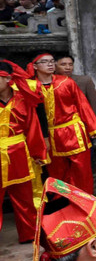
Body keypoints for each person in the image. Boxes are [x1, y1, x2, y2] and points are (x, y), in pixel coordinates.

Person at [22, 53, 96, 194]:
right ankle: (63, 201)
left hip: (73, 131)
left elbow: (82, 104)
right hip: (51, 135)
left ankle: (85, 201)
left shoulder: (66, 82)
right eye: (45, 62)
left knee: (82, 170)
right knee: (56, 172)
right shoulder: (30, 87)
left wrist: (92, 127)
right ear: (35, 66)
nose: (50, 64)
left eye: (52, 61)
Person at [0, 60, 45, 243]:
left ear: (8, 79)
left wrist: (38, 154)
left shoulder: (22, 99)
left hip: (19, 153)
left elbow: (32, 128)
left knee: (24, 196)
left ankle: (29, 234)